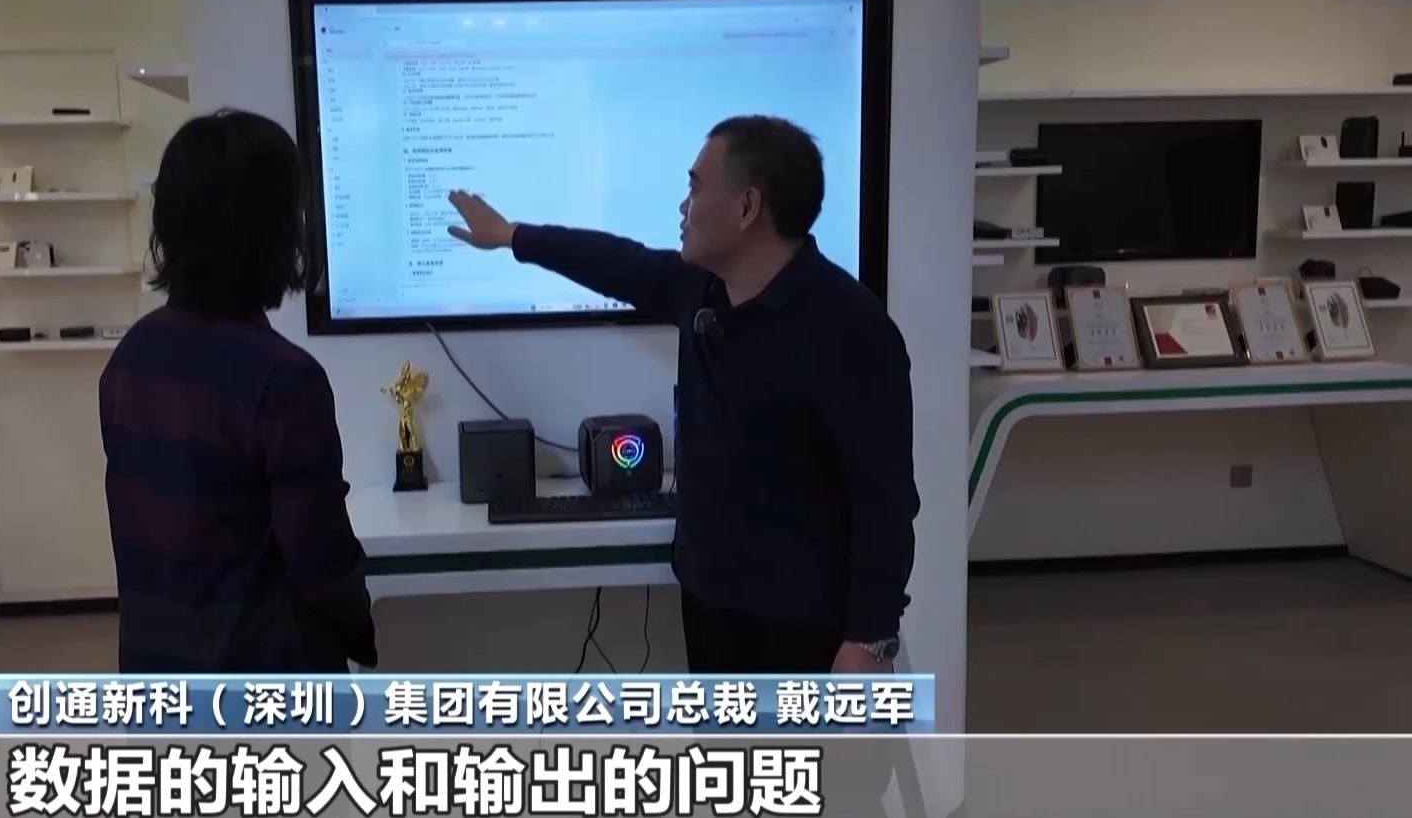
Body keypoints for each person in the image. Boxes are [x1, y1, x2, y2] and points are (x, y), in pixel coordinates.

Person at [447, 115, 919, 673]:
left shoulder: (851, 328)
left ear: (747, 207)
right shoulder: (700, 289)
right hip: (711, 603)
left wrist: (869, 638)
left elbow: (884, 501)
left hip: (808, 625)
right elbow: (617, 262)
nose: (682, 206)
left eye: (694, 188)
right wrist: (512, 236)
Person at [99, 108, 377, 673]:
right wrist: (359, 628)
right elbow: (318, 552)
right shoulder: (283, 379)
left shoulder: (130, 358)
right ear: (276, 230)